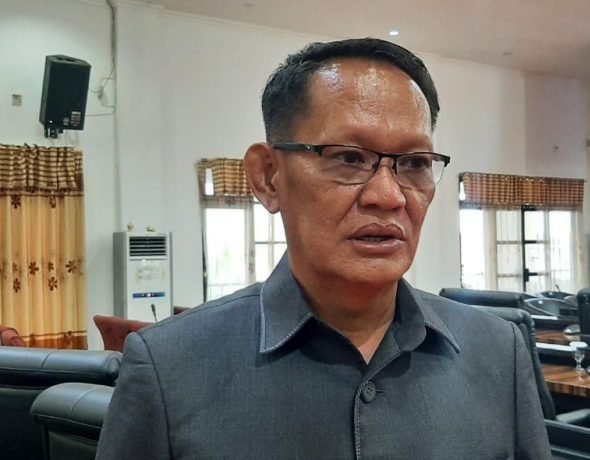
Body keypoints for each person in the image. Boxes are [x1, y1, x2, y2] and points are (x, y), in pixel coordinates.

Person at [97, 38, 551, 459]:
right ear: (268, 177)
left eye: (414, 163)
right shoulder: (168, 367)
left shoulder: (498, 351)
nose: (388, 196)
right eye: (349, 158)